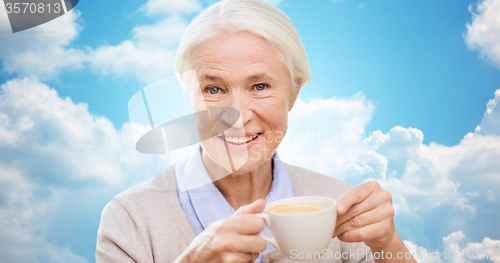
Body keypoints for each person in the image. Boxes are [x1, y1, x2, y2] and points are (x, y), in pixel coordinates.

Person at [96, 0, 416, 262]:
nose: (237, 118)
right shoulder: (130, 220)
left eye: (259, 86)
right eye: (213, 90)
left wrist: (388, 244)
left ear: (293, 93)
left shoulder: (338, 207)